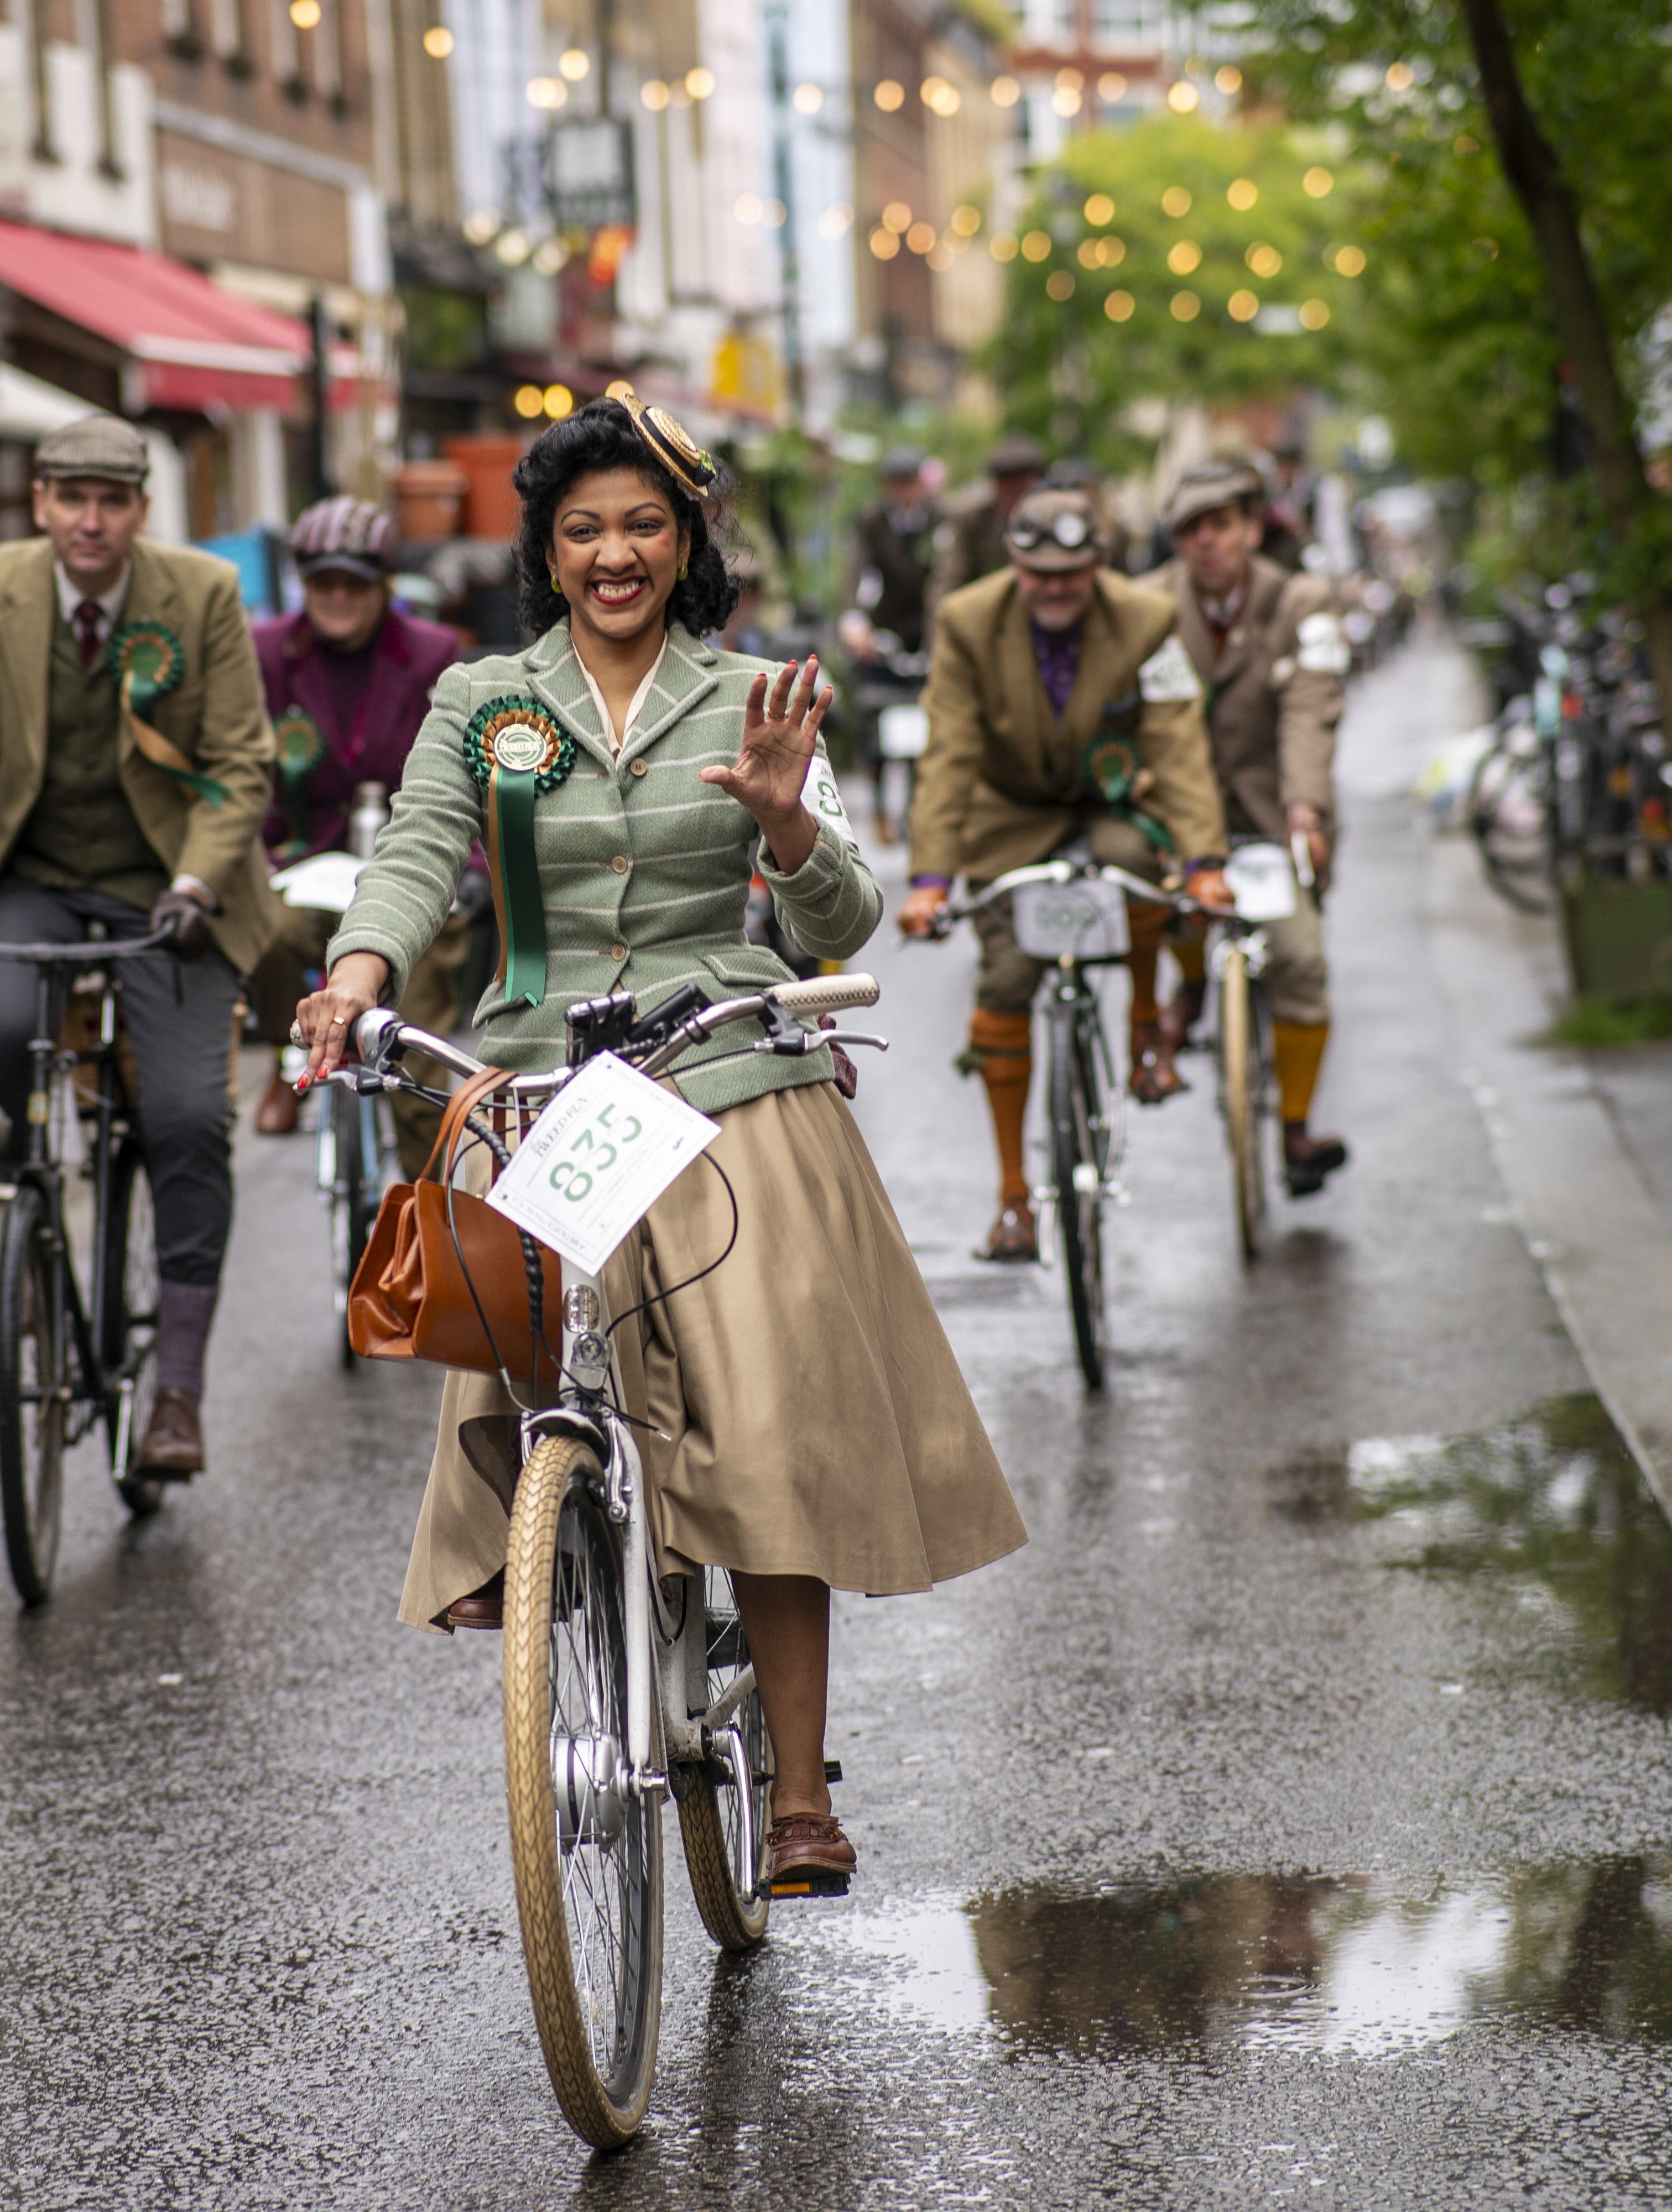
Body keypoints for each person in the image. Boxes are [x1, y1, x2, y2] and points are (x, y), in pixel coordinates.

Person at [295, 398, 1023, 1894]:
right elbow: (419, 858)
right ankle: (577, 1533)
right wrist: (358, 974)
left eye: (641, 525)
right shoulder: (484, 702)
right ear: (549, 555)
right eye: (582, 530)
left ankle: (803, 1794)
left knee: (768, 1417)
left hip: (727, 1067)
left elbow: (843, 922)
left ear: (685, 542)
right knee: (526, 1346)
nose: (613, 553)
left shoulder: (762, 695)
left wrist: (792, 833)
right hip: (539, 1073)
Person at [0, 414, 282, 1478]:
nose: (90, 520)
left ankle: (177, 1393)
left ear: (140, 515)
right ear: (41, 506)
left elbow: (241, 762)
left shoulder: (201, 594)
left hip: (171, 893)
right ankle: (30, 1241)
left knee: (187, 1119)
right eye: (71, 498)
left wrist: (199, 883)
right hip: (35, 879)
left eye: (112, 501)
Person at [899, 486, 1230, 1261]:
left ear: (1099, 568)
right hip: (1009, 813)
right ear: (1014, 564)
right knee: (1006, 983)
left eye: (1071, 574)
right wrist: (931, 878)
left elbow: (1178, 746)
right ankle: (1015, 1196)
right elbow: (948, 755)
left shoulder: (1149, 621)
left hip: (1111, 801)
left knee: (1135, 866)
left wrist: (1204, 861)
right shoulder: (967, 623)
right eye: (1037, 572)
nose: (1053, 587)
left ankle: (1147, 1026)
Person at [1145, 460, 1355, 1191]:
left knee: (1300, 960)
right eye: (1191, 530)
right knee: (1159, 906)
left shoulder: (1301, 601)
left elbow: (1311, 711)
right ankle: (1192, 989)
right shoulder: (1146, 607)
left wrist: (1307, 809)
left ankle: (1296, 1131)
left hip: (1273, 818)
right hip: (1177, 821)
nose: (1208, 542)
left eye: (1223, 525)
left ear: (1251, 527)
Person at [243, 495, 469, 1147]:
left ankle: (431, 1229)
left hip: (412, 868)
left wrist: (473, 869)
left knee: (414, 1059)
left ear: (384, 586)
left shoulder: (434, 652)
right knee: (268, 932)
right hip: (303, 860)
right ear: (303, 584)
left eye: (355, 583)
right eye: (322, 582)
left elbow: (465, 769)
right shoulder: (267, 652)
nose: (338, 596)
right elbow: (247, 768)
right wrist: (256, 858)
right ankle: (290, 1056)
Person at [836, 445, 940, 669]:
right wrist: (855, 617)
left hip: (931, 620)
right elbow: (859, 568)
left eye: (909, 482)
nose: (904, 491)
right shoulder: (872, 521)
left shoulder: (940, 517)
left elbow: (949, 573)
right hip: (887, 622)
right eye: (897, 483)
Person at [929, 432, 1048, 604]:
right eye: (1005, 481)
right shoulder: (974, 522)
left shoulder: (1061, 521)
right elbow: (949, 578)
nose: (1012, 491)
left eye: (1021, 482)